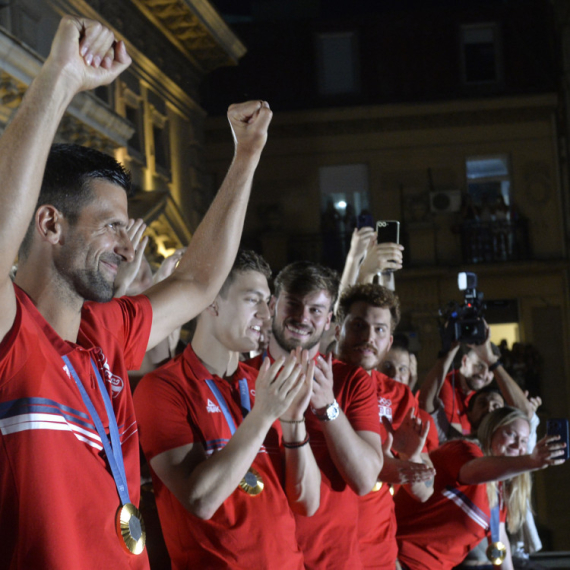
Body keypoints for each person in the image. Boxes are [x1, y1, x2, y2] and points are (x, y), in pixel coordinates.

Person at [0, 15, 272, 570]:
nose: (128, 246)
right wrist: (60, 78)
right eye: (109, 227)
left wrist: (244, 159)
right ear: (49, 225)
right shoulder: (12, 333)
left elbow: (198, 281)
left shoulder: (106, 333)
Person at [134, 251, 320, 569]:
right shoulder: (162, 387)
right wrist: (262, 416)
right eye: (252, 300)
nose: (266, 313)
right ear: (211, 303)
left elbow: (307, 502)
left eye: (268, 302)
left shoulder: (264, 381)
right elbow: (199, 500)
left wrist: (293, 421)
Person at [247, 261, 383, 570]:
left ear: (329, 321)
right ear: (272, 305)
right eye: (293, 304)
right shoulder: (242, 379)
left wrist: (327, 406)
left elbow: (364, 480)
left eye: (316, 310)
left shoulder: (351, 381)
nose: (302, 317)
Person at [335, 283, 435, 569]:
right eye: (358, 325)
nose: (368, 337)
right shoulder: (315, 380)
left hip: (378, 556)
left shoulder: (400, 396)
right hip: (319, 553)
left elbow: (425, 491)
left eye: (379, 330)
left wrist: (411, 456)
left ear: (389, 342)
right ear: (338, 327)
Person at [395, 407, 566, 570]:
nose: (517, 445)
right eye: (510, 434)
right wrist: (531, 461)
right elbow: (473, 471)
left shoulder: (498, 493)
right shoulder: (464, 449)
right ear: (491, 431)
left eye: (523, 441)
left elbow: (499, 542)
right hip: (395, 558)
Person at [419, 329, 534, 443]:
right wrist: (451, 348)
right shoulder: (457, 442)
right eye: (479, 366)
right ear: (469, 414)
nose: (489, 409)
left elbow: (525, 413)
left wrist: (492, 361)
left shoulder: (513, 445)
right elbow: (427, 402)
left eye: (496, 406)